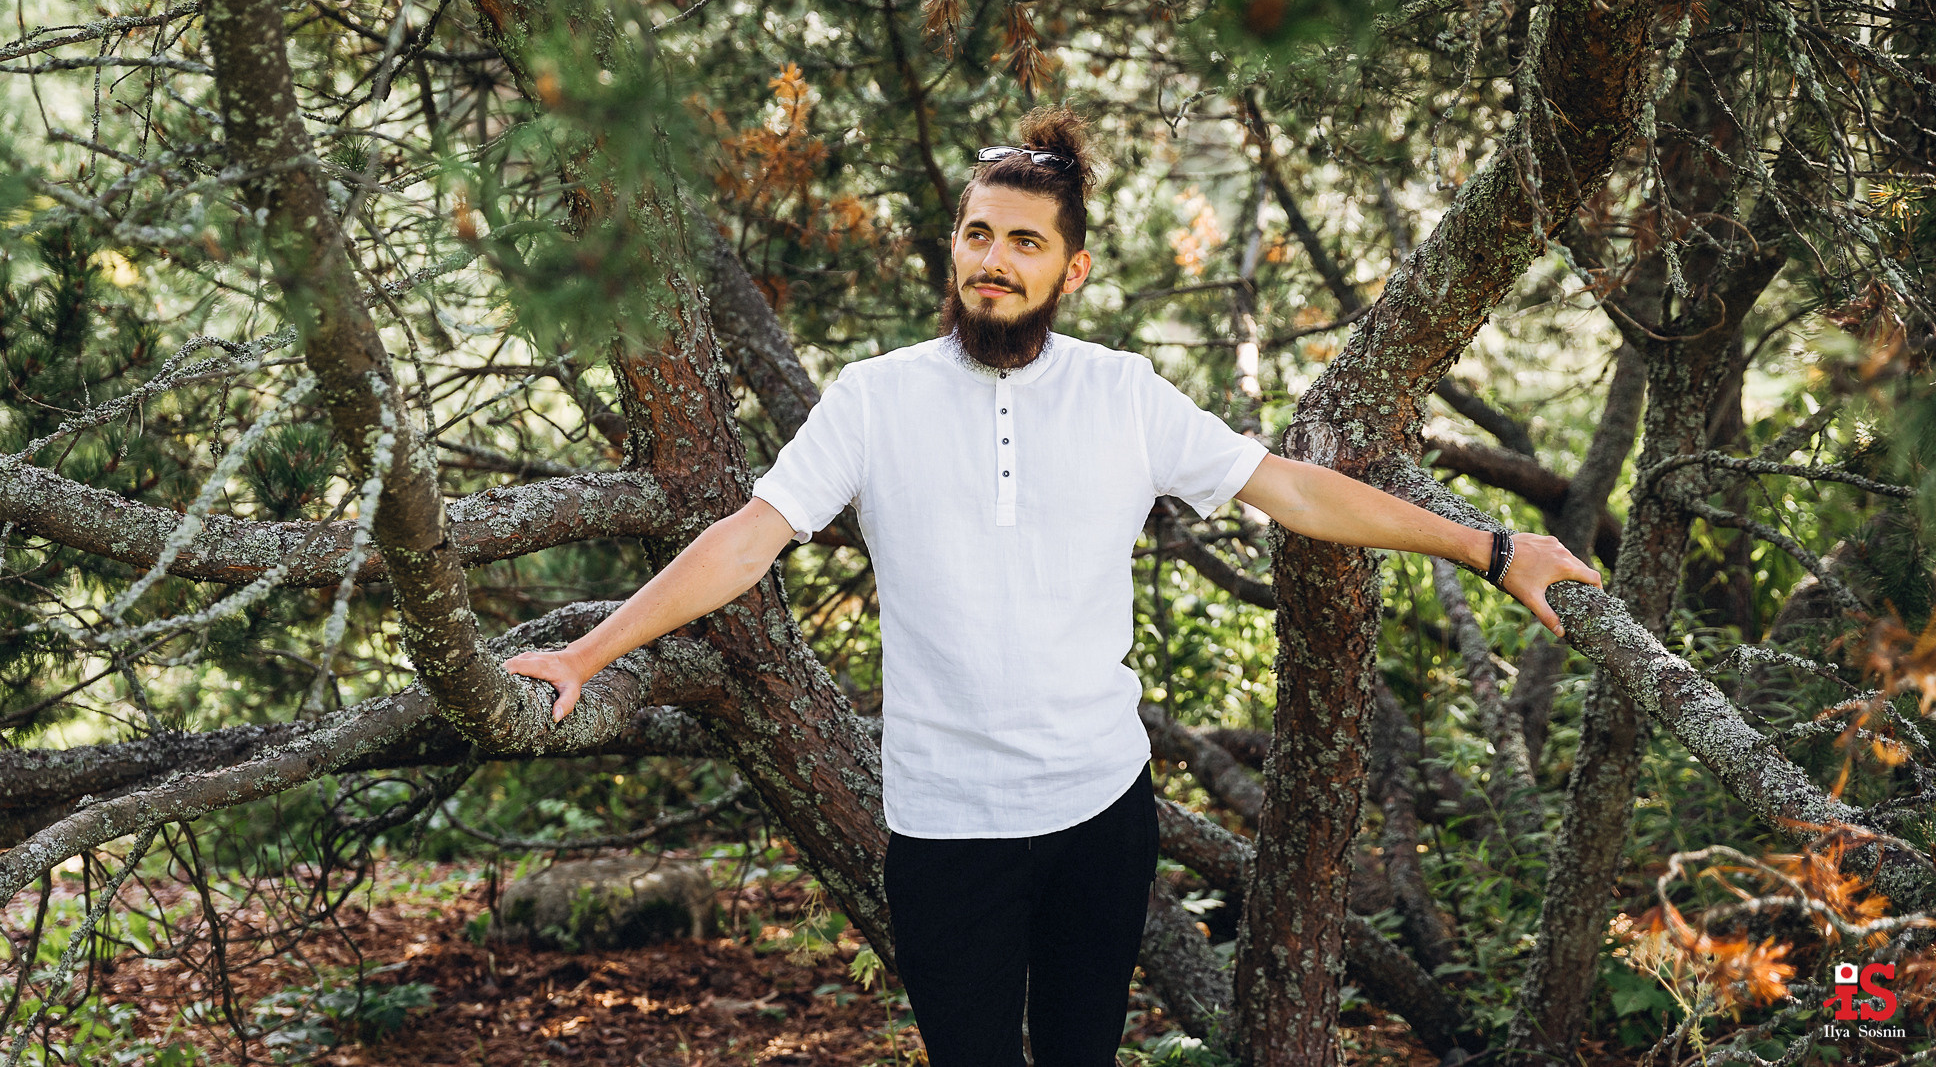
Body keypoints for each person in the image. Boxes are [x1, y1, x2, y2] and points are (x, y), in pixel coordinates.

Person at [503, 105, 1599, 1067]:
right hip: (943, 828)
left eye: (1025, 242)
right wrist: (587, 653)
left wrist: (1494, 550)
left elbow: (1293, 491)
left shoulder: (1125, 395)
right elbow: (747, 539)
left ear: (1070, 270)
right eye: (978, 233)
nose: (995, 259)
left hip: (1098, 815)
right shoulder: (873, 400)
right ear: (954, 246)